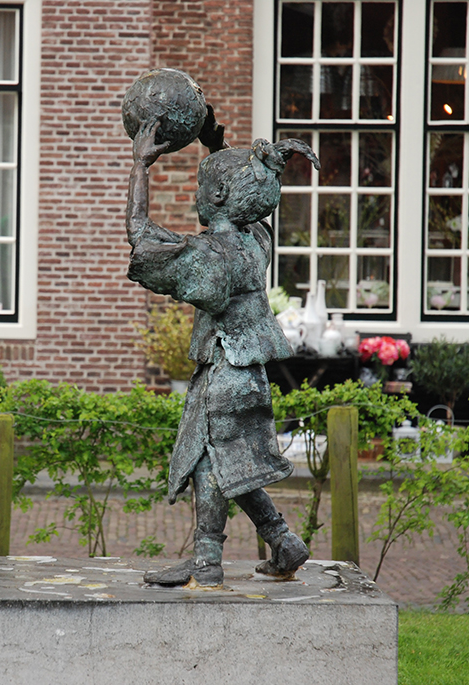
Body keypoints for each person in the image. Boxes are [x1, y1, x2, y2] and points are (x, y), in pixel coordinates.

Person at [127, 117, 316, 587]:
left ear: (214, 196)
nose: (196, 195)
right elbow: (243, 199)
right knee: (233, 462)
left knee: (207, 461)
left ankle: (206, 561)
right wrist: (218, 147)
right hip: (249, 374)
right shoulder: (256, 242)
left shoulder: (210, 256)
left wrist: (141, 167)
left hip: (222, 373)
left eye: (200, 187)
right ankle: (283, 542)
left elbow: (140, 233)